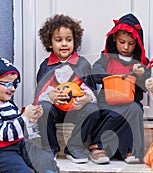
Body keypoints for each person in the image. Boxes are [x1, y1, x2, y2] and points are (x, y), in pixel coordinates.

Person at [34, 14, 109, 164]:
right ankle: (50, 148)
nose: (64, 44)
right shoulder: (45, 65)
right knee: (44, 108)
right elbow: (40, 93)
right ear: (50, 43)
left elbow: (90, 90)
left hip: (76, 109)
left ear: (75, 42)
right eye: (58, 40)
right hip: (55, 110)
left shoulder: (82, 64)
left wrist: (87, 98)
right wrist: (50, 96)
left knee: (92, 110)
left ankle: (74, 147)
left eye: (68, 40)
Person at [91, 13, 151, 164]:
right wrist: (110, 76)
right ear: (114, 40)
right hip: (108, 101)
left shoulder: (141, 63)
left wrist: (141, 74)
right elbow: (95, 72)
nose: (126, 47)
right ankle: (97, 145)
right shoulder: (107, 58)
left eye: (131, 43)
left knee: (135, 109)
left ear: (137, 43)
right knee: (115, 111)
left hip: (130, 101)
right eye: (121, 42)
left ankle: (131, 150)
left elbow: (145, 86)